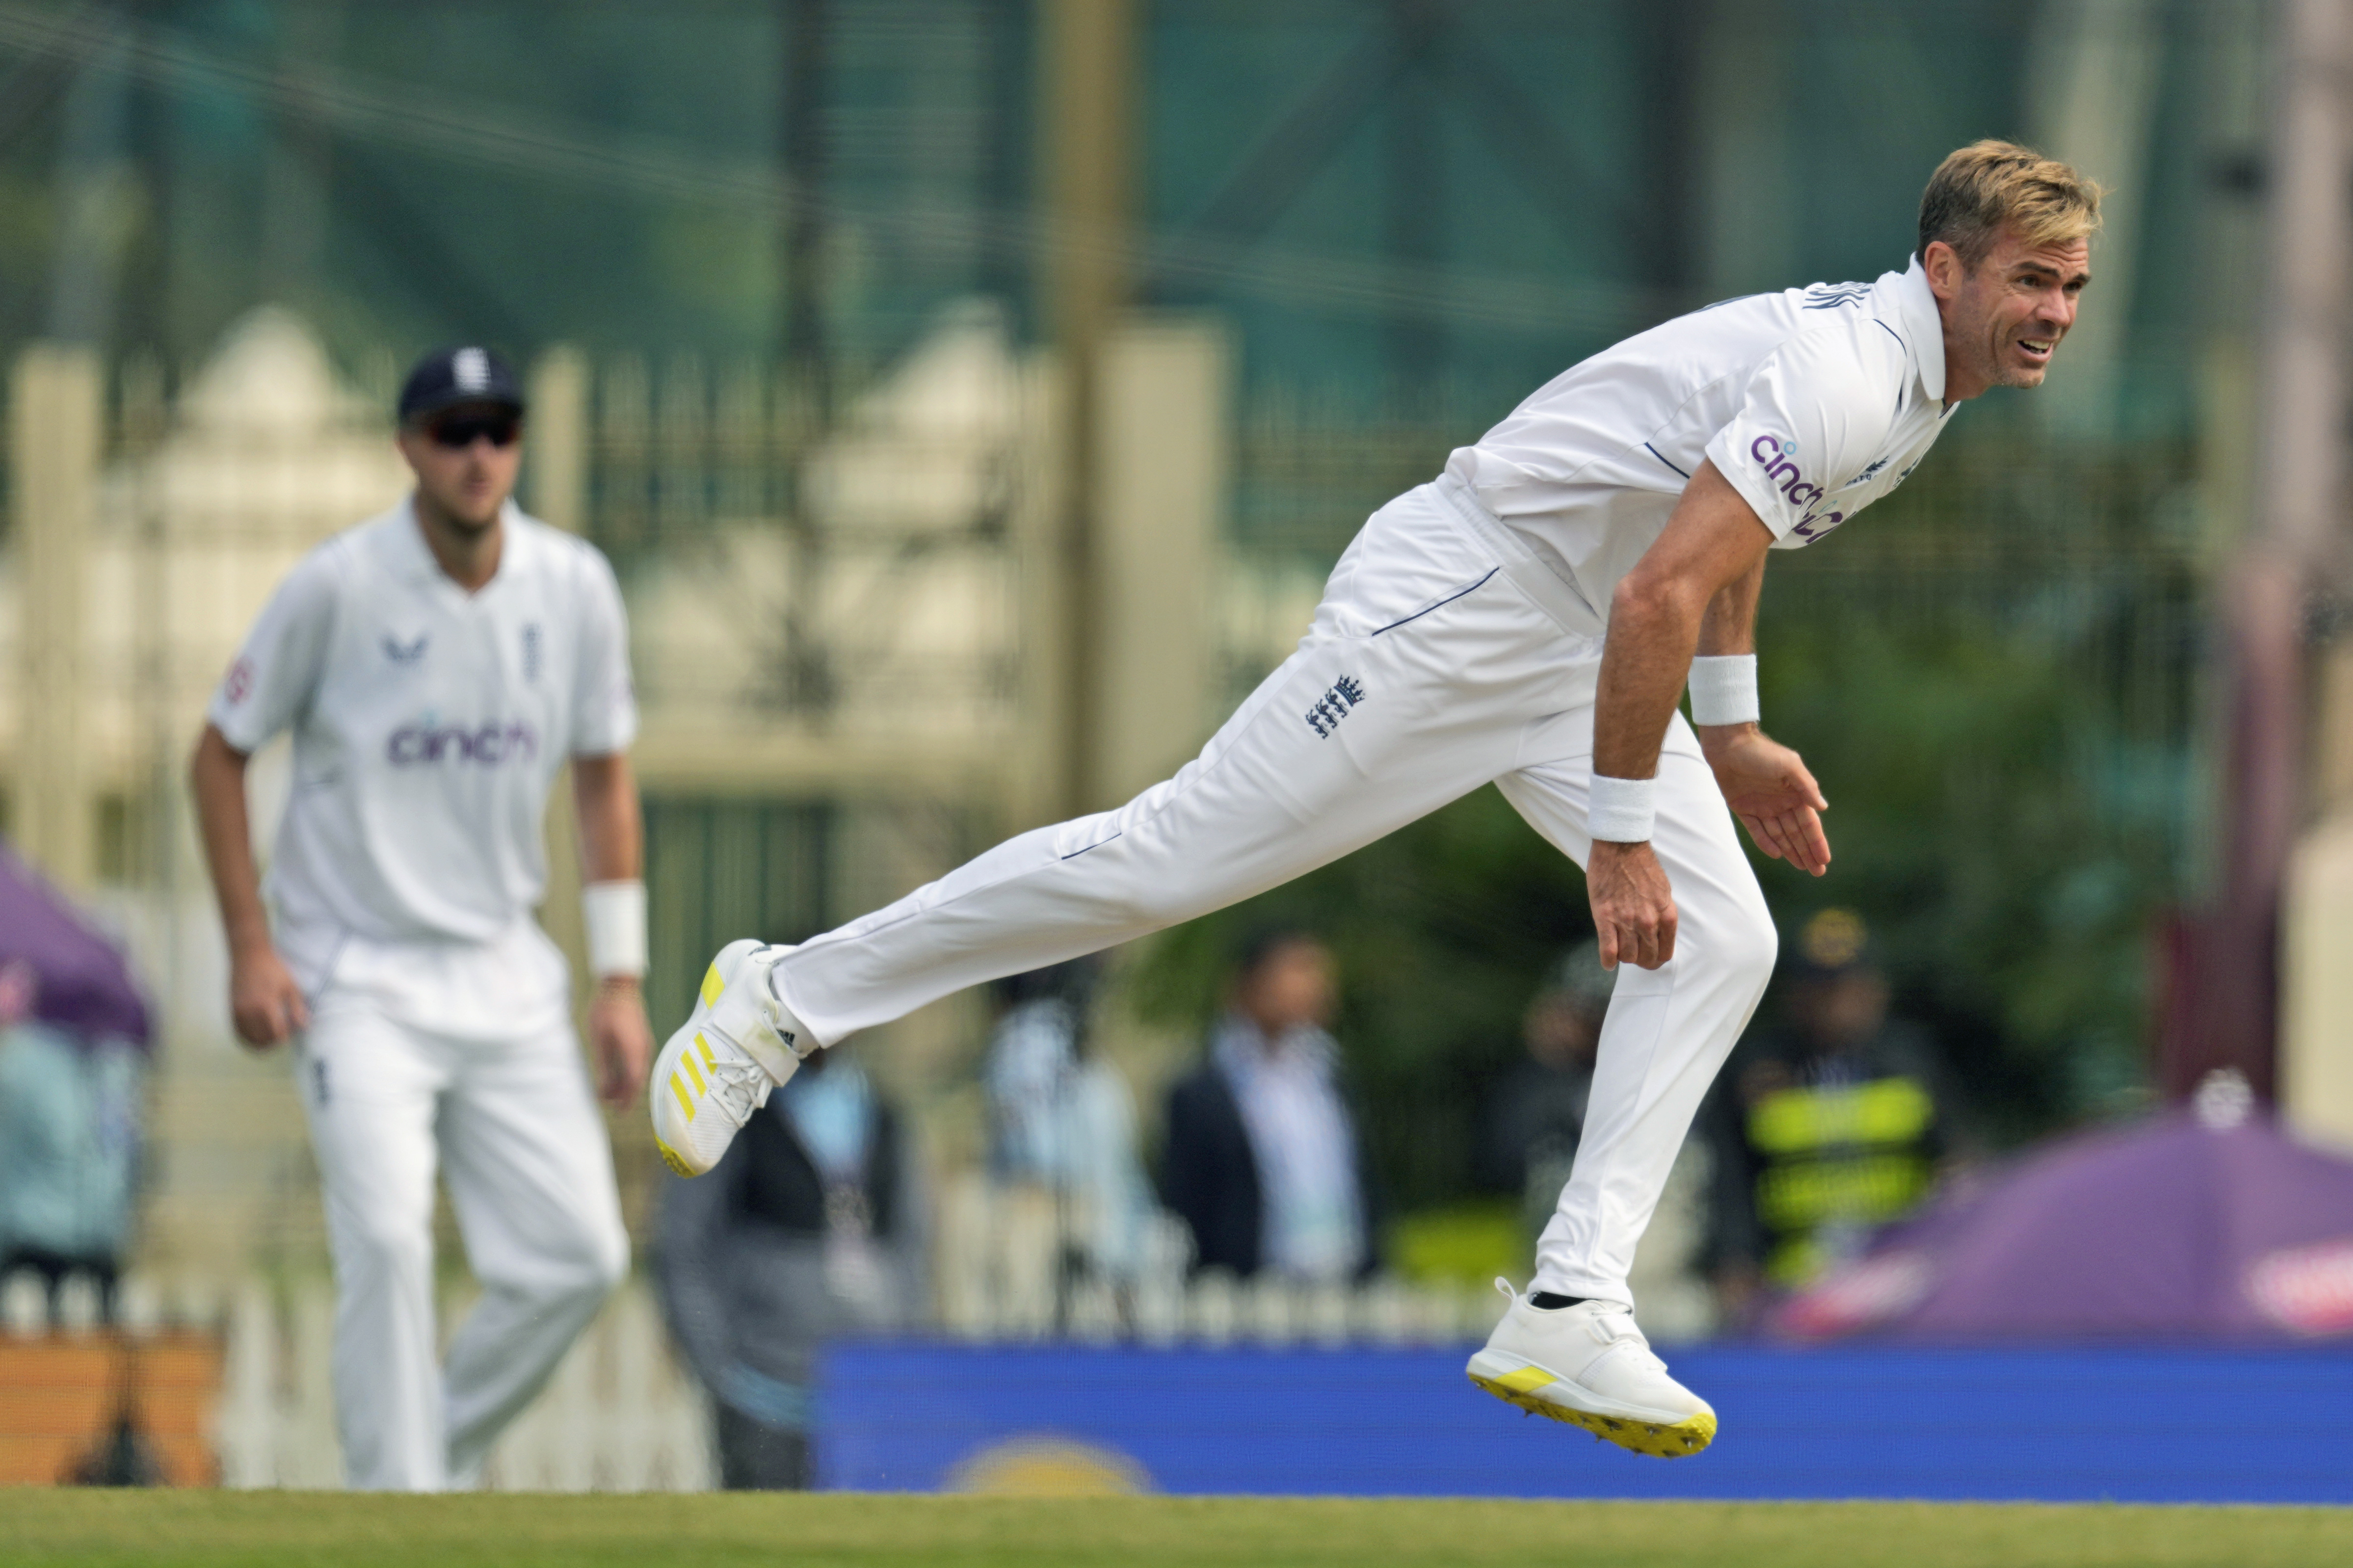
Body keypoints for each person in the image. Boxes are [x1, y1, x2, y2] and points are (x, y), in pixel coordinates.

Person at [655, 142, 2098, 1458]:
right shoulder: (1854, 375)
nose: (2053, 309)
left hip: (1573, 646)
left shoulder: (1914, 386)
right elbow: (1666, 581)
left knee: (1726, 940)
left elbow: (1716, 549)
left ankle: (1567, 1301)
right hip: (1465, 605)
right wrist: (1613, 839)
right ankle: (783, 996)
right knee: (1164, 864)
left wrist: (1728, 735)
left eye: (2073, 286)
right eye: (2029, 279)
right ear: (1940, 268)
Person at [188, 346, 648, 1490]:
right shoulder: (338, 585)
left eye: (499, 429)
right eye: (454, 431)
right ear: (408, 448)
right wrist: (252, 944)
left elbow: (603, 774)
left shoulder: (574, 584)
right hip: (353, 972)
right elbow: (217, 754)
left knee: (580, 1256)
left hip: (504, 966)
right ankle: (398, 1510)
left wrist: (621, 978)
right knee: (389, 1240)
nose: (479, 453)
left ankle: (421, 1465)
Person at [656, 1046, 923, 1490]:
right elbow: (682, 1248)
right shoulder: (730, 1116)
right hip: (763, 1395)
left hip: (865, 1396)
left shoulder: (884, 1115)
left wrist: (899, 1353)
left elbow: (914, 1244)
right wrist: (720, 1373)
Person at [1704, 908, 1960, 1324]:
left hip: (1900, 1279)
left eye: (1852, 987)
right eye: (1823, 990)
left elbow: (1954, 1164)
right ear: (1795, 997)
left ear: (1878, 990)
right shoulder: (1755, 1067)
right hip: (1789, 1282)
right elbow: (1729, 1178)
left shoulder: (1912, 1059)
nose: (1840, 1004)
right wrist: (1735, 1261)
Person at [1161, 930, 1375, 1282]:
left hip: (1341, 1278)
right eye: (1297, 971)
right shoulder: (1205, 1090)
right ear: (1248, 983)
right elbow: (1188, 1205)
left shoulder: (1328, 1074)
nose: (1314, 986)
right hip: (1251, 1288)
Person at [983, 958, 1155, 1293]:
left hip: (1096, 1251)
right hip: (1053, 1252)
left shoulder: (1091, 1065)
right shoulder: (1025, 1042)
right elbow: (1037, 1161)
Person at [1479, 942, 1615, 1247]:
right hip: (1561, 1247)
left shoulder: (1647, 1074)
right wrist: (1548, 1062)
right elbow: (1504, 1158)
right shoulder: (1539, 1083)